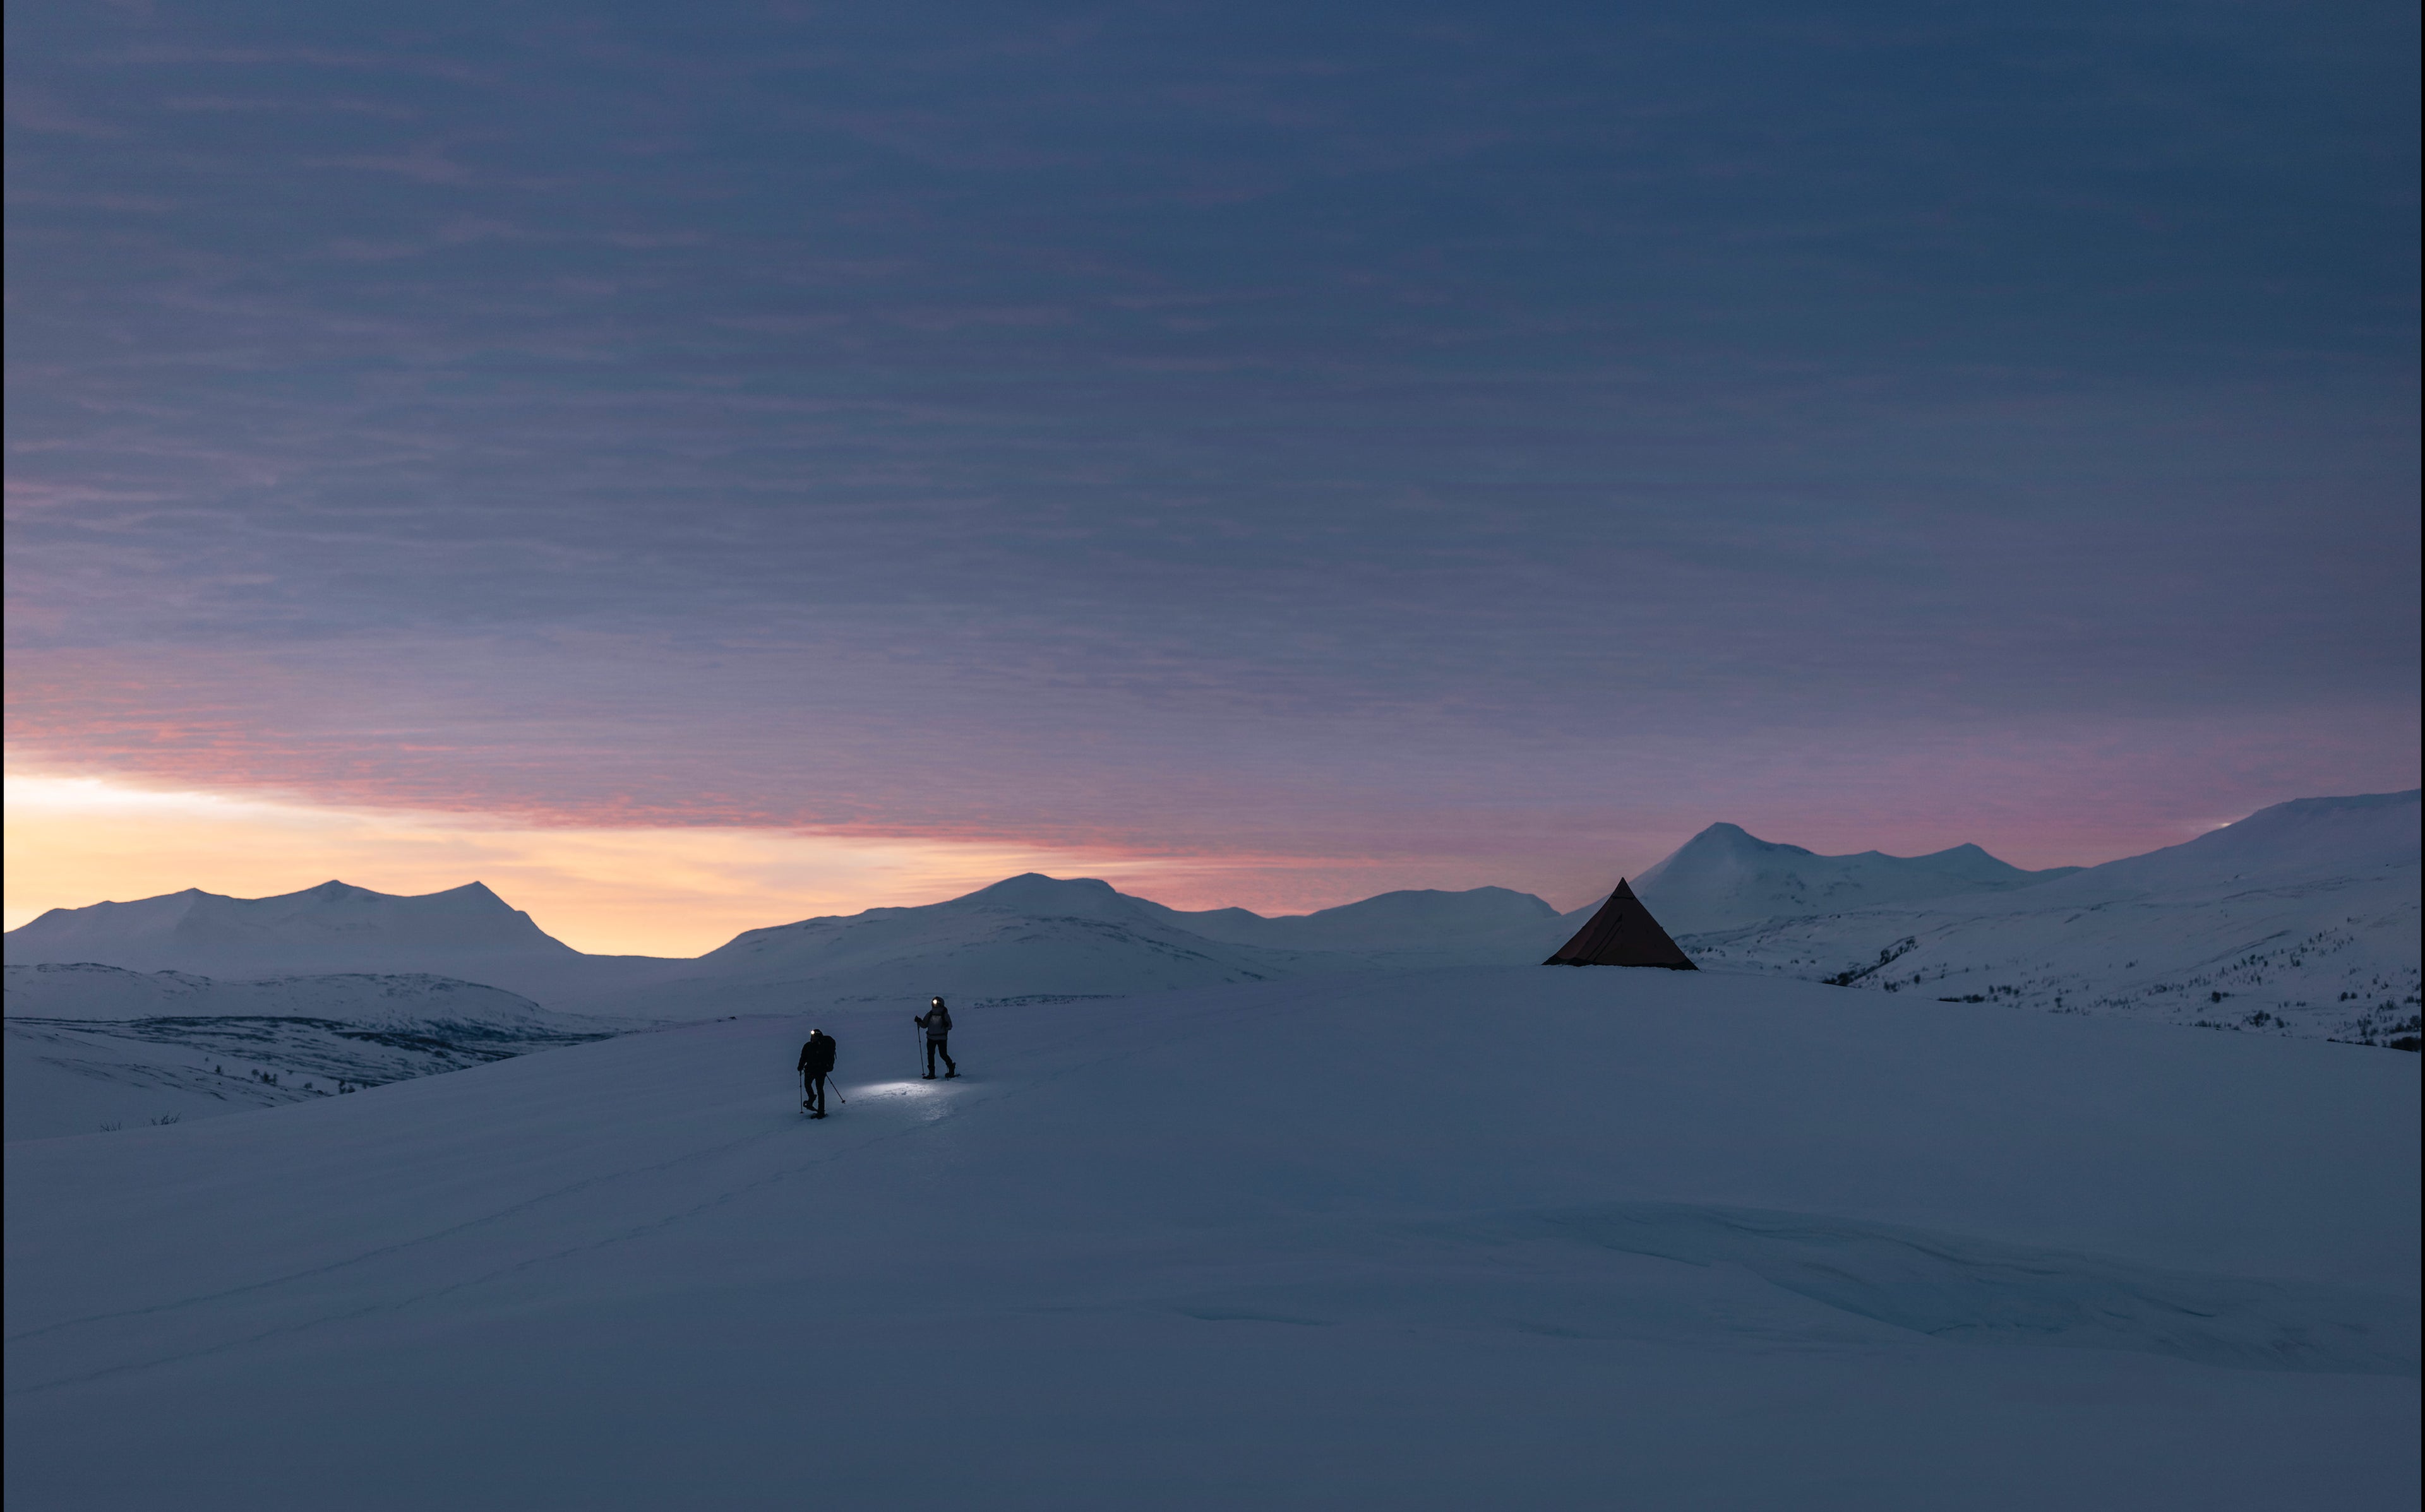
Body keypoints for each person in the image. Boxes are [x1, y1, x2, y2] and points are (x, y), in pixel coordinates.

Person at [914, 996, 958, 1080]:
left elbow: (950, 1026)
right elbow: (924, 1025)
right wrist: (919, 1021)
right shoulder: (931, 1014)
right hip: (933, 1038)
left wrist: (946, 1025)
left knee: (941, 1055)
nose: (935, 1004)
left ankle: (947, 1070)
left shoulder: (944, 1015)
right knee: (933, 1055)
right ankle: (936, 1072)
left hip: (940, 1038)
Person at [798, 1028, 837, 1117]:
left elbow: (828, 1058)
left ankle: (821, 1111)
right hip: (811, 1070)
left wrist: (826, 1067)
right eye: (812, 1036)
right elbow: (803, 1057)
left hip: (820, 1070)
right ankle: (812, 1098)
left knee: (820, 1089)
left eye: (815, 1037)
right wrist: (800, 1066)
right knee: (808, 1085)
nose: (813, 1038)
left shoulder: (823, 1046)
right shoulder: (808, 1046)